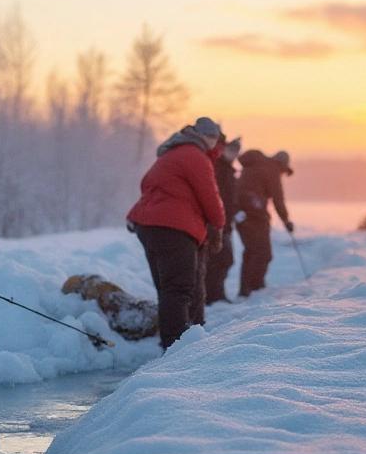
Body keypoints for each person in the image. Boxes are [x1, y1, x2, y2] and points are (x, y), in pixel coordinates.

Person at [126, 117, 226, 350]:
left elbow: (146, 184)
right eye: (214, 138)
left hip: (148, 225)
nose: (215, 143)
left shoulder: (172, 153)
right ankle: (177, 347)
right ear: (207, 137)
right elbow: (210, 196)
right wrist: (219, 224)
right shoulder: (195, 155)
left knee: (168, 289)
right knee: (179, 288)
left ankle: (178, 340)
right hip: (173, 228)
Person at [235, 149, 294, 298]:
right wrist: (286, 221)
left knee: (251, 252)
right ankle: (255, 289)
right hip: (255, 215)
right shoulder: (272, 169)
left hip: (240, 213)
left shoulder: (256, 165)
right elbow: (278, 199)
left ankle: (246, 290)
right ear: (282, 165)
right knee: (263, 253)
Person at [205, 136, 241, 304]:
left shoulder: (229, 170)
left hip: (226, 222)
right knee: (220, 259)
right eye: (231, 149)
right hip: (217, 222)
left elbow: (231, 197)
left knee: (224, 259)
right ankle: (213, 295)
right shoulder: (219, 168)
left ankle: (217, 293)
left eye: (236, 151)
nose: (233, 153)